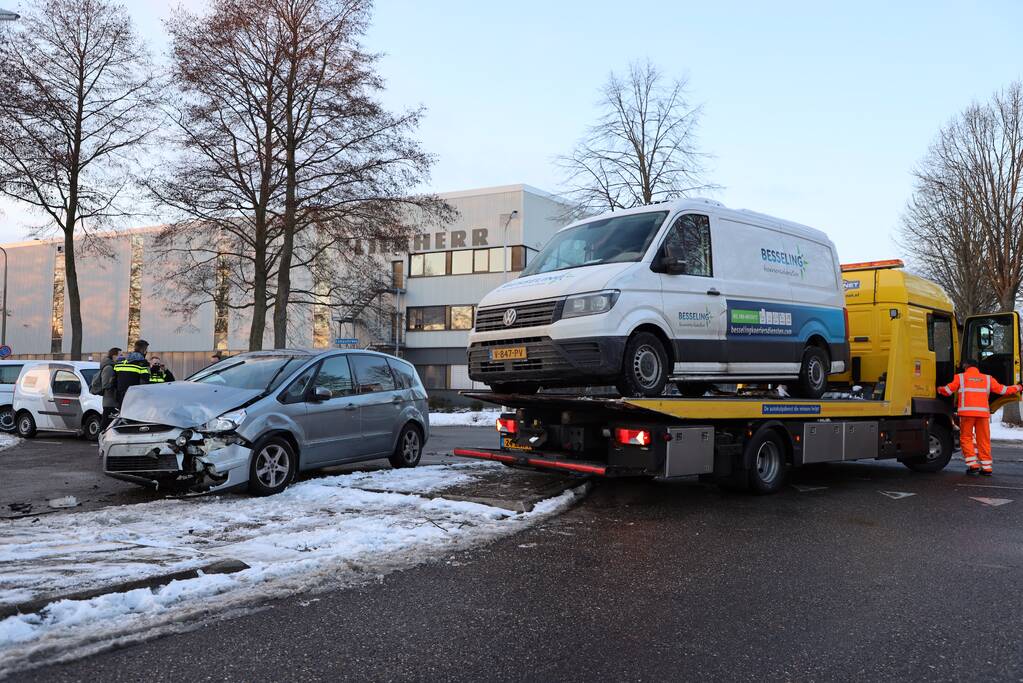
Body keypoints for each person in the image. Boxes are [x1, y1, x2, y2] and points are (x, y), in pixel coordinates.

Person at [938, 359, 1022, 476]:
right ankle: (987, 468)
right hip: (982, 414)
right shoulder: (988, 378)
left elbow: (947, 391)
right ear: (977, 367)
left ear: (965, 366)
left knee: (966, 438)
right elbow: (1003, 390)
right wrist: (1018, 387)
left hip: (967, 414)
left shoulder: (960, 377)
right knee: (984, 439)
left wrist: (938, 389)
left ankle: (973, 466)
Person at [114, 339, 151, 406]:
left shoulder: (121, 362)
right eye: (146, 350)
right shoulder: (144, 364)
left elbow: (114, 380)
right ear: (143, 350)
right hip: (135, 398)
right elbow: (144, 383)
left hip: (120, 397)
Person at [98, 346, 121, 429]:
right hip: (109, 402)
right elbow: (106, 385)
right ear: (114, 356)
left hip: (111, 401)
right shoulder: (109, 368)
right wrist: (114, 384)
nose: (121, 357)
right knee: (105, 423)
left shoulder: (113, 366)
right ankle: (101, 438)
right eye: (120, 355)